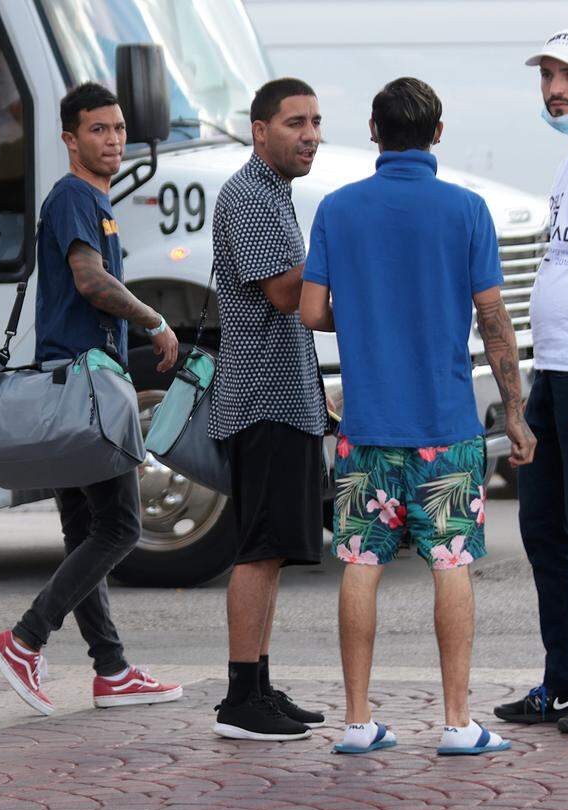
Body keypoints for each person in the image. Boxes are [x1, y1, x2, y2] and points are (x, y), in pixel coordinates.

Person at [300, 77, 536, 754]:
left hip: (367, 430)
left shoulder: (339, 209)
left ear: (373, 133)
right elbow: (493, 317)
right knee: (451, 560)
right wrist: (514, 413)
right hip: (447, 430)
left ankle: (355, 720)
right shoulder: (467, 209)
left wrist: (365, 318)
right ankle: (459, 723)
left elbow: (313, 312)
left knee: (360, 561)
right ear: (437, 135)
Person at [0, 83, 182, 716]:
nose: (113, 140)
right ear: (69, 139)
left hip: (76, 383)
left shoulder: (95, 199)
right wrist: (155, 320)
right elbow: (90, 279)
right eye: (98, 130)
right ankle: (26, 639)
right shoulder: (74, 196)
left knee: (85, 532)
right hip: (85, 384)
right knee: (121, 525)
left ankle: (112, 668)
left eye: (119, 129)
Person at [208, 78, 328, 741]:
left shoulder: (274, 194)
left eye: (315, 122)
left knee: (275, 551)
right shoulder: (250, 196)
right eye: (294, 122)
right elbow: (287, 294)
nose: (309, 133)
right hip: (263, 403)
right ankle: (237, 699)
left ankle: (258, 682)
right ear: (260, 130)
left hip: (288, 399)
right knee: (257, 551)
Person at [494, 29, 568, 734]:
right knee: (544, 528)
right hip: (554, 372)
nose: (554, 88)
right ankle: (565, 681)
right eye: (548, 76)